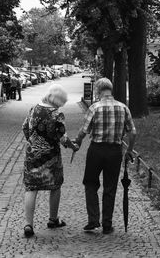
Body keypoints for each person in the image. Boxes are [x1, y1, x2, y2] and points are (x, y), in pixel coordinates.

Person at [73, 78, 136, 235]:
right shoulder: (123, 108)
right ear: (111, 90)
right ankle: (107, 224)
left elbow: (84, 130)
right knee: (110, 187)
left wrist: (78, 142)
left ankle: (93, 220)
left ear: (98, 91)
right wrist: (129, 151)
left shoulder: (95, 108)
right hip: (115, 152)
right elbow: (133, 132)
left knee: (90, 184)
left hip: (96, 150)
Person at [22, 84, 79, 238]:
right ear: (58, 100)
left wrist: (33, 143)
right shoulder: (57, 114)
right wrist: (73, 146)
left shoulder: (33, 109)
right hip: (51, 156)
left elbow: (25, 128)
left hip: (32, 155)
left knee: (31, 188)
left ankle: (28, 225)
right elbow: (63, 138)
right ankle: (53, 220)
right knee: (55, 186)